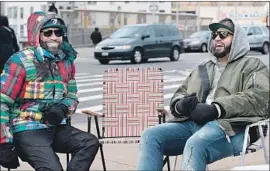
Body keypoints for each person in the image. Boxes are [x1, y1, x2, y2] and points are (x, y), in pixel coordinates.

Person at [136, 18, 269, 170]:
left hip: (233, 128)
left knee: (196, 143)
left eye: (223, 34)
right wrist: (180, 105)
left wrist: (216, 108)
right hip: (193, 124)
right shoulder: (203, 68)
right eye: (214, 35)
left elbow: (260, 97)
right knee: (150, 135)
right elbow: (180, 93)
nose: (217, 38)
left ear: (237, 38)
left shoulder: (252, 65)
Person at [0, 11, 99, 171]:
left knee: (89, 143)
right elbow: (2, 102)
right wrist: (3, 143)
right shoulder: (21, 61)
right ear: (37, 35)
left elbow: (72, 95)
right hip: (27, 128)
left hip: (56, 127)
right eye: (48, 32)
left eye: (58, 32)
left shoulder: (66, 62)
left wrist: (63, 108)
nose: (54, 37)